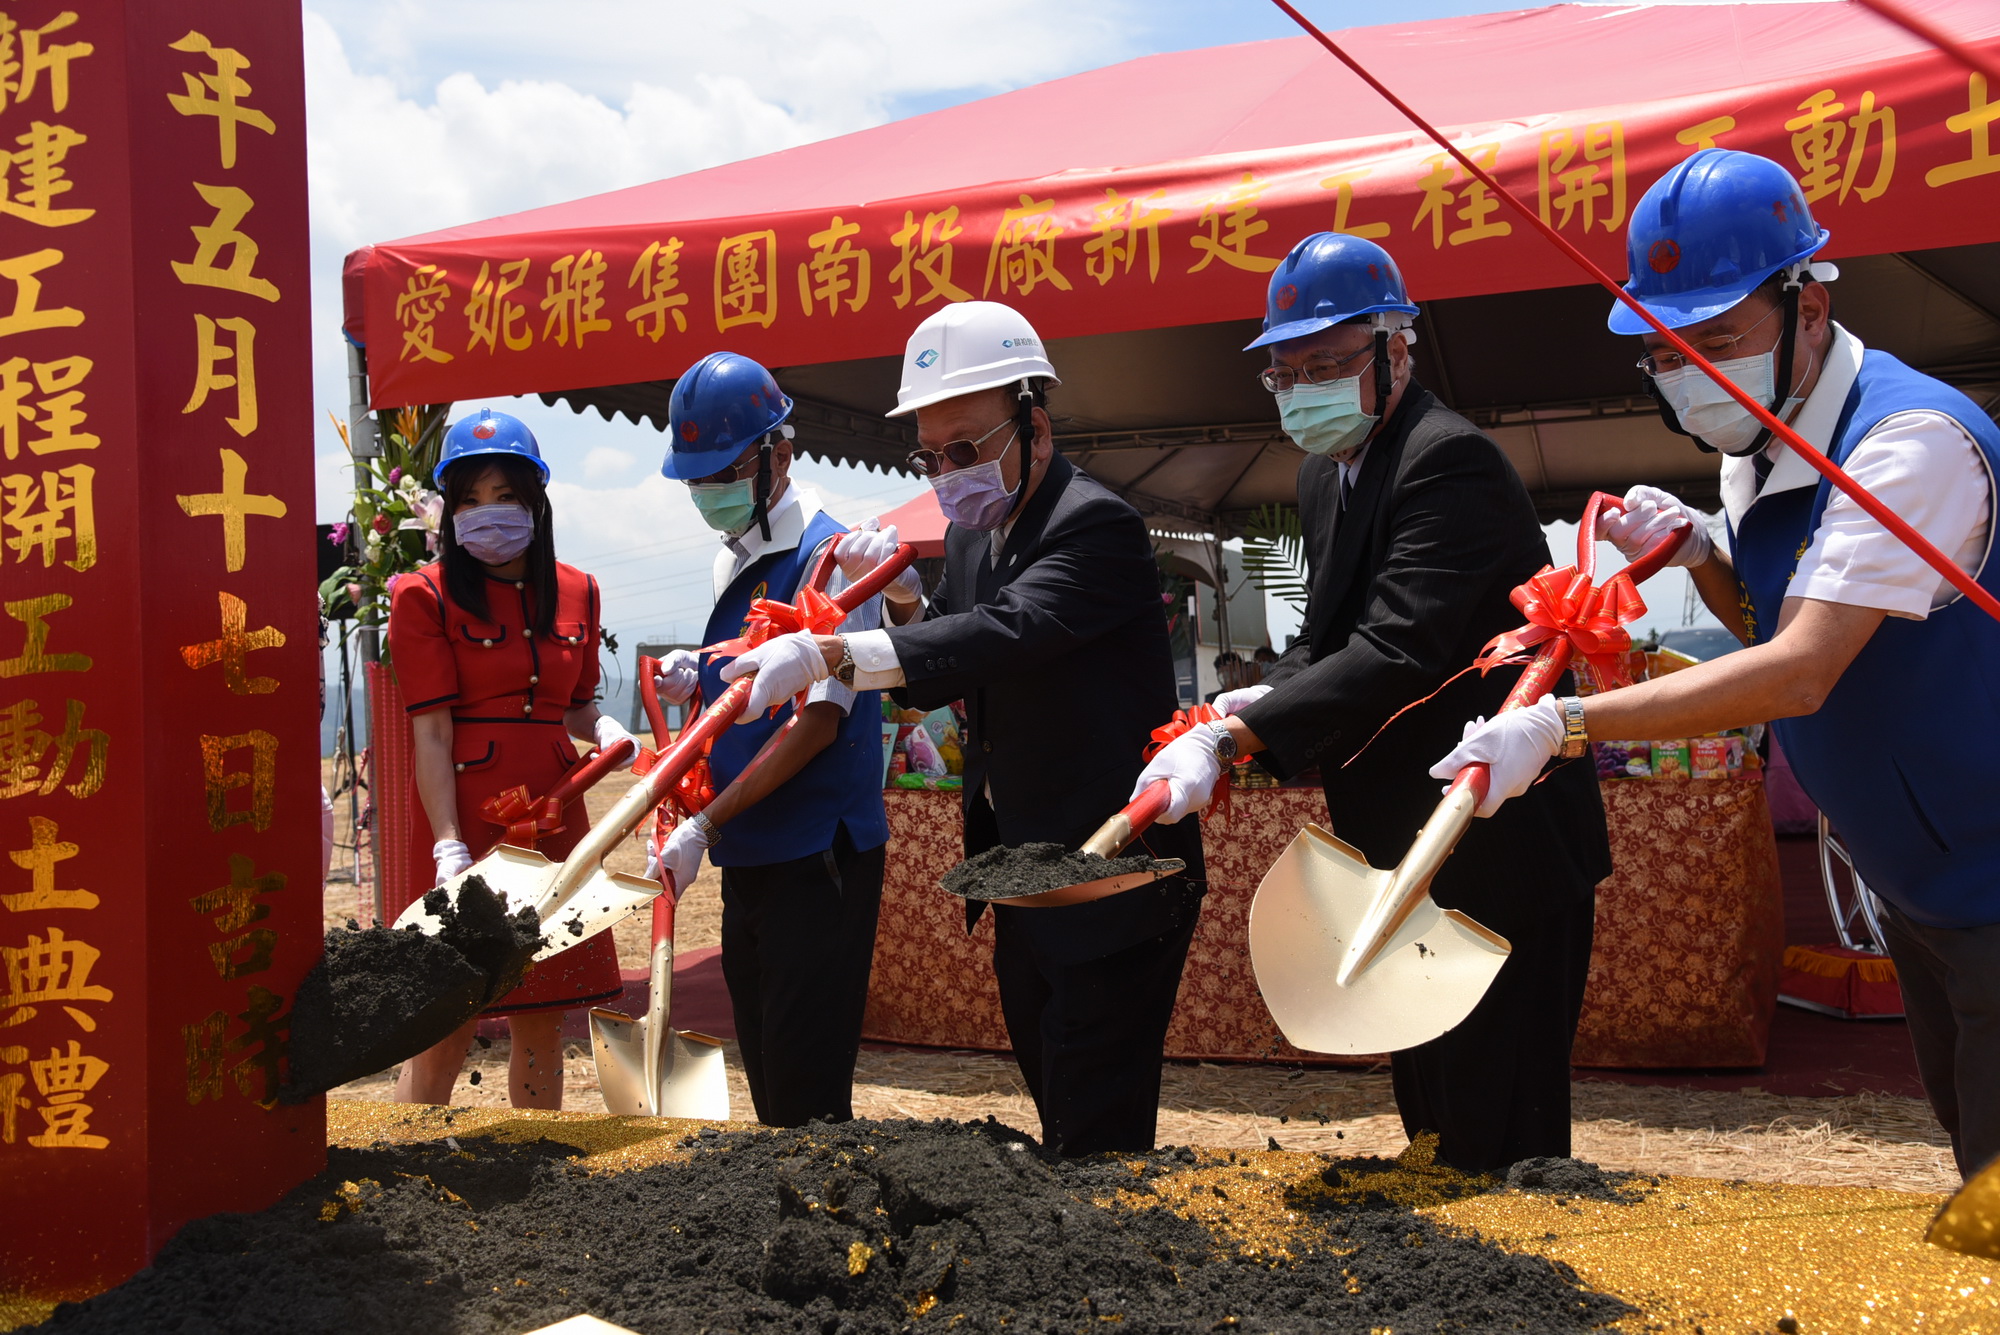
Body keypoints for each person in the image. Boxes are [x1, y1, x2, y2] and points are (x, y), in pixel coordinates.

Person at [1435, 149, 2000, 1181]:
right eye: (1660, 350)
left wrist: (1567, 725)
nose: (1688, 370)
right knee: (1973, 1141)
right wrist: (1705, 556)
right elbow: (1763, 624)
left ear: (1810, 304)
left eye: (1717, 337)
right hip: (1917, 878)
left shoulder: (1905, 442)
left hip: (1985, 865)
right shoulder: (1757, 444)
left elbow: (1798, 672)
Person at [1134, 233, 1612, 1175]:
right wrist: (1255, 697)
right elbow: (1330, 631)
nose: (1302, 385)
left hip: (1492, 837)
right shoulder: (1326, 472)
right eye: (1284, 371)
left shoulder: (1447, 461)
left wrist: (1239, 735)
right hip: (1398, 836)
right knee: (1429, 1100)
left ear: (1399, 348)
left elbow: (1399, 647)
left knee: (1499, 1116)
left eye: (1327, 363)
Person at [720, 301, 1204, 1157]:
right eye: (931, 455)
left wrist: (837, 651)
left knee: (1096, 1126)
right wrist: (903, 601)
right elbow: (952, 647)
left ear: (1036, 427)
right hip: (1026, 871)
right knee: (1056, 1094)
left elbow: (1011, 631)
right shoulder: (976, 533)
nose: (947, 473)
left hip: (1116, 872)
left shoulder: (1094, 524)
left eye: (967, 450)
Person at [649, 351, 893, 1128]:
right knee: (766, 1076)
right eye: (695, 480)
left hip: (816, 854)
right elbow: (745, 695)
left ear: (779, 455)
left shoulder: (835, 557)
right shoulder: (737, 559)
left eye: (719, 472)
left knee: (806, 1095)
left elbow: (818, 725)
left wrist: (705, 821)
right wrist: (702, 677)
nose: (706, 493)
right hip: (750, 852)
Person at [386, 409, 635, 1107]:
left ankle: (536, 1166)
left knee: (544, 1009)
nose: (486, 514)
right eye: (468, 499)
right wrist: (445, 844)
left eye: (503, 497)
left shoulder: (578, 587)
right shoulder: (423, 594)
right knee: (447, 1015)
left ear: (535, 501)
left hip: (555, 809)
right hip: (464, 817)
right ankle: (406, 1160)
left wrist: (608, 725)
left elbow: (575, 704)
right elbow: (430, 733)